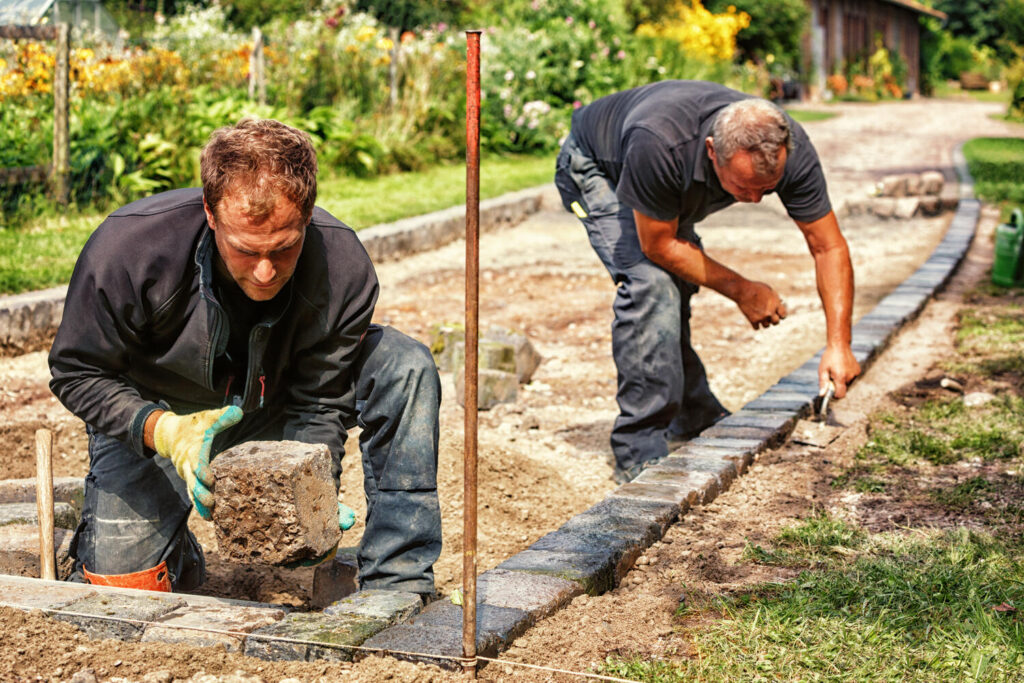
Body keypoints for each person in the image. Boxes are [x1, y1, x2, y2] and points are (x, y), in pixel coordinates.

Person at [49, 118, 442, 597]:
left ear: (308, 215)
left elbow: (319, 400)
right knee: (124, 589)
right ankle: (179, 553)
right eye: (244, 249)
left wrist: (312, 488)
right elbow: (77, 371)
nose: (264, 271)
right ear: (210, 213)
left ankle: (396, 583)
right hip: (163, 419)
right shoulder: (128, 252)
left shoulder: (343, 269)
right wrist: (165, 431)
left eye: (285, 247)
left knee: (404, 364)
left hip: (270, 405)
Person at [554, 80, 861, 483]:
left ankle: (693, 411)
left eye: (766, 191)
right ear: (713, 150)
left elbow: (828, 247)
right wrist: (742, 289)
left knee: (675, 283)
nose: (753, 201)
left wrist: (839, 344)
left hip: (663, 175)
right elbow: (659, 245)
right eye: (742, 188)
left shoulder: (788, 147)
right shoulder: (660, 142)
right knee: (652, 285)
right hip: (596, 166)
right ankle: (640, 448)